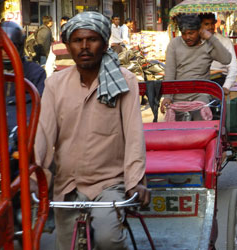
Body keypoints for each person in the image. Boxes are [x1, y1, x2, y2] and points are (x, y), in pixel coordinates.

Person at [33, 12, 150, 249]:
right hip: (67, 184)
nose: (85, 47)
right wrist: (34, 176)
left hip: (109, 183)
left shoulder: (125, 81)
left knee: (109, 239)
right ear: (68, 46)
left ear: (105, 43)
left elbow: (134, 135)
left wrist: (135, 181)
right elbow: (43, 134)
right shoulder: (55, 84)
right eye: (77, 41)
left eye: (92, 40)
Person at [0, 21, 46, 131]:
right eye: (1, 48)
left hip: (24, 139)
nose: (5, 52)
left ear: (20, 47)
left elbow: (43, 111)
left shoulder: (35, 73)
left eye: (11, 47)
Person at [161, 14, 231, 121]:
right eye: (184, 34)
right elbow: (170, 72)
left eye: (191, 33)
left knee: (200, 125)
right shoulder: (174, 44)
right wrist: (167, 97)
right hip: (179, 95)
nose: (187, 37)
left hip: (200, 95)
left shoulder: (208, 45)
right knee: (177, 131)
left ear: (200, 31)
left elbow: (226, 59)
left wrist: (211, 38)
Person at [200, 13, 237, 94]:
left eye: (212, 24)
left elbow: (233, 67)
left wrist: (226, 86)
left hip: (219, 80)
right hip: (199, 79)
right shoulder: (195, 42)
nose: (210, 27)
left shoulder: (225, 41)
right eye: (206, 24)